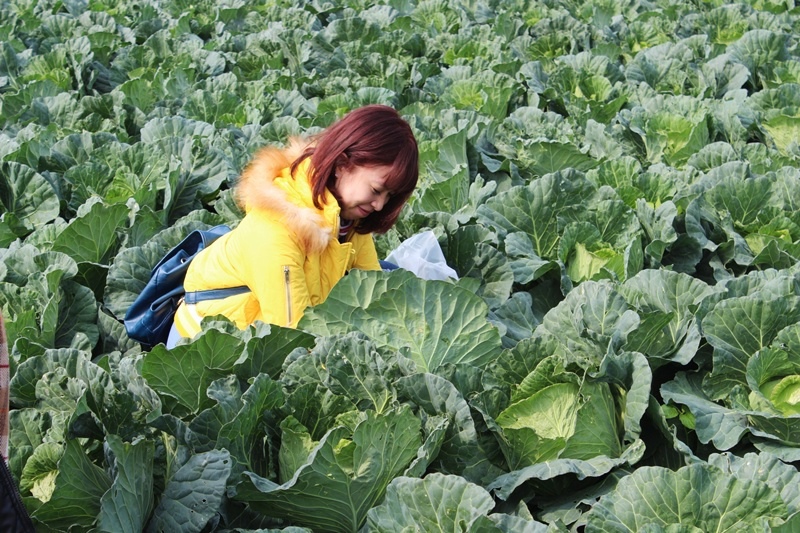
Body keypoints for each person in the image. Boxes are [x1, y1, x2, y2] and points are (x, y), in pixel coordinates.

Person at [168, 105, 419, 346]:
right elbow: (292, 334)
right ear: (343, 165)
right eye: (376, 190)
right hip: (205, 345)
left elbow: (377, 290)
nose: (379, 205)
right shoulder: (275, 231)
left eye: (389, 196)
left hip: (266, 331)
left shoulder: (348, 217)